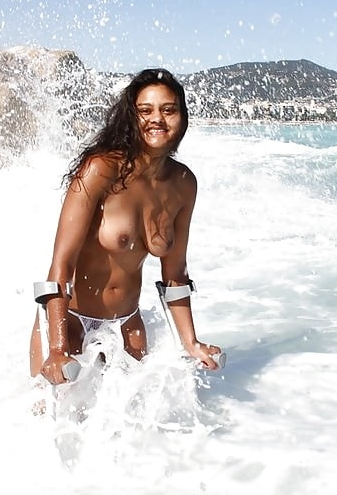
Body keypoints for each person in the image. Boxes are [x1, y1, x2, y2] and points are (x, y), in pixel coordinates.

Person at [30, 68, 222, 385]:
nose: (157, 119)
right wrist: (57, 348)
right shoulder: (100, 169)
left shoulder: (183, 183)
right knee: (50, 415)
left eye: (168, 110)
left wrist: (191, 342)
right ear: (131, 117)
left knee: (136, 416)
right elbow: (62, 265)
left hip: (127, 328)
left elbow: (175, 273)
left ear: (182, 117)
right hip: (69, 323)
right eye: (145, 110)